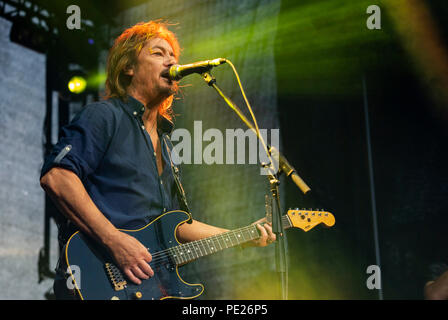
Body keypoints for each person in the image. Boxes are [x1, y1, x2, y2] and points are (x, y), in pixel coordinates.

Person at [39, 20, 275, 300]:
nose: (171, 61)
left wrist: (241, 236)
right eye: (158, 53)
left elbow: (175, 226)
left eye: (173, 55)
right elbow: (57, 178)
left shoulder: (166, 143)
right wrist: (114, 241)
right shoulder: (105, 116)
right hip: (96, 279)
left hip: (147, 286)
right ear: (129, 67)